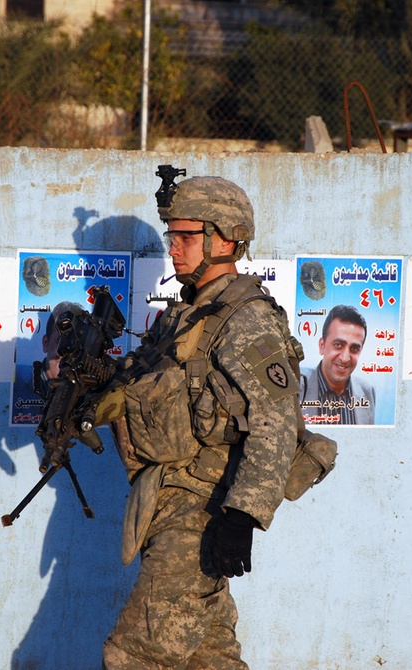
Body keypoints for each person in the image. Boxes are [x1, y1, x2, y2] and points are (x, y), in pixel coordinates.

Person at [102, 174, 300, 669]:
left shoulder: (246, 319)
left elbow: (276, 422)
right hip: (167, 501)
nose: (175, 249)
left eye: (188, 237)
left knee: (135, 656)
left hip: (202, 513)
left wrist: (243, 517)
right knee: (209, 660)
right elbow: (144, 382)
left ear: (227, 238)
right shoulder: (186, 314)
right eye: (172, 236)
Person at [300, 304, 376, 425]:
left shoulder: (367, 391)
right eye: (338, 345)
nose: (345, 358)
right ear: (322, 346)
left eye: (354, 348)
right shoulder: (296, 387)